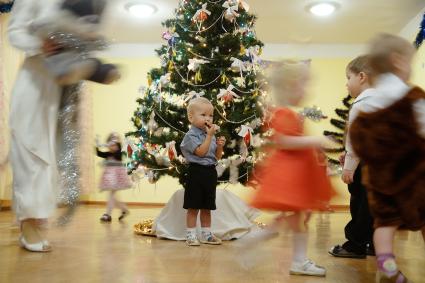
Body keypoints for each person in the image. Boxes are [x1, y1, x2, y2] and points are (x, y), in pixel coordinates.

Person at [246, 60, 336, 276]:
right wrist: (316, 141)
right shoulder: (284, 113)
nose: (307, 90)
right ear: (292, 87)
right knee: (299, 220)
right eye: (304, 84)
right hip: (291, 177)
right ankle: (296, 259)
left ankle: (266, 240)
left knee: (300, 218)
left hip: (296, 175)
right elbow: (284, 141)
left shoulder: (288, 112)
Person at [349, 33, 425, 283]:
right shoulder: (412, 97)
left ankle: (388, 267)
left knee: (384, 224)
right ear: (399, 62)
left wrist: (354, 163)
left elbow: (356, 139)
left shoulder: (364, 102)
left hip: (381, 179)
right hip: (415, 177)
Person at [8, 0, 68, 252]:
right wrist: (39, 44)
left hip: (56, 87)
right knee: (28, 149)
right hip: (32, 83)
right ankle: (27, 223)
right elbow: (14, 32)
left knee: (47, 156)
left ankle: (36, 218)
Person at [329, 55, 375, 259]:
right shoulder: (385, 101)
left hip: (366, 164)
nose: (346, 84)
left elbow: (356, 141)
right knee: (375, 205)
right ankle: (375, 244)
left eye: (348, 78)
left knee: (360, 202)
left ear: (362, 77)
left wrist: (349, 167)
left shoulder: (362, 103)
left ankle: (355, 245)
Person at [31, 0, 120, 85]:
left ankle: (102, 73)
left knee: (85, 61)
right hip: (50, 46)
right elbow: (23, 29)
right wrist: (39, 46)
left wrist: (92, 37)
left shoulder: (94, 9)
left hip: (71, 47)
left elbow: (91, 33)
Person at [180, 97, 226, 246]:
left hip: (210, 172)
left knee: (207, 206)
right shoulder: (190, 136)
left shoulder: (209, 134)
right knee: (193, 206)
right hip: (196, 172)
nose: (208, 118)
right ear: (191, 117)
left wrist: (219, 146)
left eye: (211, 115)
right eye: (203, 115)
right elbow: (201, 152)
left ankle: (207, 234)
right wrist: (210, 136)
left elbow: (216, 156)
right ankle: (191, 235)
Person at [96, 133, 132, 222]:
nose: (111, 147)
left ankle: (108, 214)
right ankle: (124, 210)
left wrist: (114, 148)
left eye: (114, 145)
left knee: (111, 195)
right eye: (110, 145)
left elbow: (117, 155)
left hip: (117, 177)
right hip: (109, 176)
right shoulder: (108, 153)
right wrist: (97, 145)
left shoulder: (118, 154)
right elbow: (99, 153)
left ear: (118, 145)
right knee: (113, 197)